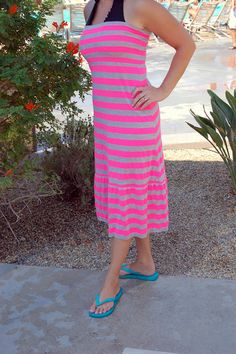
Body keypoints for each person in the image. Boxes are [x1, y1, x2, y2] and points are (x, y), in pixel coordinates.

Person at [79, 0, 196, 318]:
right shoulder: (90, 6)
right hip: (106, 123)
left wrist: (163, 90)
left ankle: (111, 282)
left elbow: (186, 44)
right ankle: (145, 263)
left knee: (127, 196)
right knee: (131, 191)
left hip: (133, 122)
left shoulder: (139, 5)